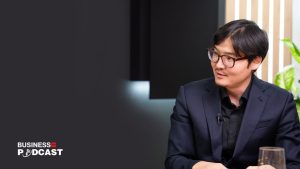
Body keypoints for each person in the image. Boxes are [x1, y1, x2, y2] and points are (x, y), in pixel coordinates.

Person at [165, 19, 300, 169]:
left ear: (255, 61)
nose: (218, 64)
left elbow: (293, 163)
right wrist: (201, 167)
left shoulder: (280, 101)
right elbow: (174, 159)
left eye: (229, 58)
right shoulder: (189, 96)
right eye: (215, 54)